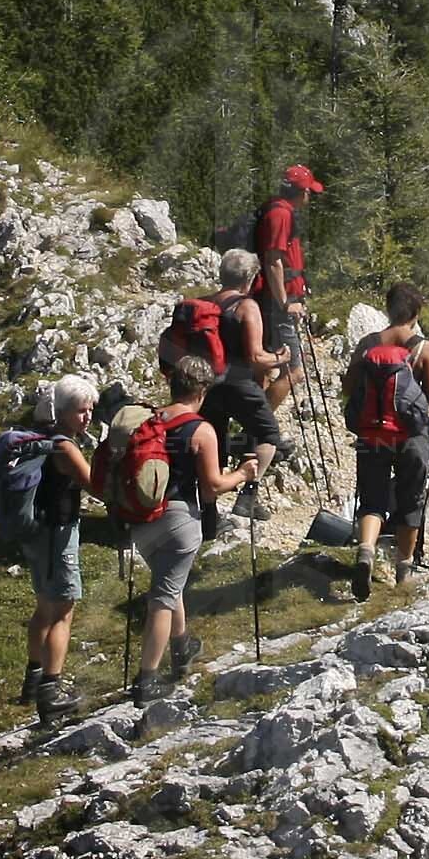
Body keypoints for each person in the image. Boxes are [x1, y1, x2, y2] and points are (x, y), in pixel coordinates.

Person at [102, 357, 261, 704]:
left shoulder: (151, 420)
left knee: (168, 583)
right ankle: (146, 681)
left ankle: (182, 646)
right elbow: (212, 487)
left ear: (172, 385)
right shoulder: (201, 430)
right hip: (179, 521)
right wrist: (243, 474)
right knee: (162, 596)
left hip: (141, 520)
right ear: (202, 392)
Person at [0, 375, 96, 723]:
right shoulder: (65, 447)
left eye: (90, 409)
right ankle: (51, 692)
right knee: (63, 610)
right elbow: (95, 484)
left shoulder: (40, 438)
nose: (88, 417)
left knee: (44, 608)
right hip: (57, 535)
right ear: (63, 411)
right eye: (81, 410)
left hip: (35, 535)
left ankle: (32, 682)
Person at [344, 283, 429, 599]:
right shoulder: (422, 348)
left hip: (371, 434)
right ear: (416, 313)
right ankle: (404, 571)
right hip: (410, 436)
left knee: (372, 499)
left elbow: (349, 388)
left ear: (389, 310)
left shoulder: (367, 345)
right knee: (411, 501)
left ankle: (366, 551)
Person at [175, 248, 286, 524]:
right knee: (268, 435)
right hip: (239, 384)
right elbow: (255, 357)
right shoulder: (246, 306)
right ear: (250, 278)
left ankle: (208, 515)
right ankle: (247, 497)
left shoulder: (204, 304)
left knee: (214, 446)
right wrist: (281, 358)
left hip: (206, 386)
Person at [250, 165, 326, 400]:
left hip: (275, 298)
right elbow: (273, 260)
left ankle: (256, 419)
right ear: (302, 192)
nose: (310, 196)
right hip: (279, 303)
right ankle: (262, 421)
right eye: (309, 191)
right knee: (294, 372)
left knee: (265, 368)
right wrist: (284, 303)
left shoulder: (276, 208)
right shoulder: (281, 214)